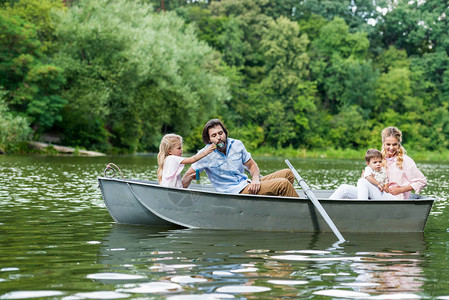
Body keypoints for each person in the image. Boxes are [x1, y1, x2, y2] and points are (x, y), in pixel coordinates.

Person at [181, 119, 298, 197]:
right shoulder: (204, 154)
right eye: (214, 135)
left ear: (225, 133)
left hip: (247, 184)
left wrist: (256, 179)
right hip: (235, 192)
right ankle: (300, 214)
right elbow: (187, 177)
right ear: (209, 139)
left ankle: (276, 206)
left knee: (288, 174)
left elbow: (252, 165)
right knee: (283, 184)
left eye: (220, 133)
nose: (219, 138)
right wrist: (177, 186)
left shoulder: (237, 144)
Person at [329, 126, 427, 200]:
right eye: (388, 144)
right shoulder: (379, 159)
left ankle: (360, 210)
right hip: (378, 193)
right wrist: (366, 177)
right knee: (344, 188)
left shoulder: (405, 160)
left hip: (394, 198)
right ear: (383, 143)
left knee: (362, 182)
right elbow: (371, 179)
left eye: (394, 144)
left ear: (399, 144)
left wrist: (400, 189)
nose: (391, 148)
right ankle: (321, 211)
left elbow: (421, 181)